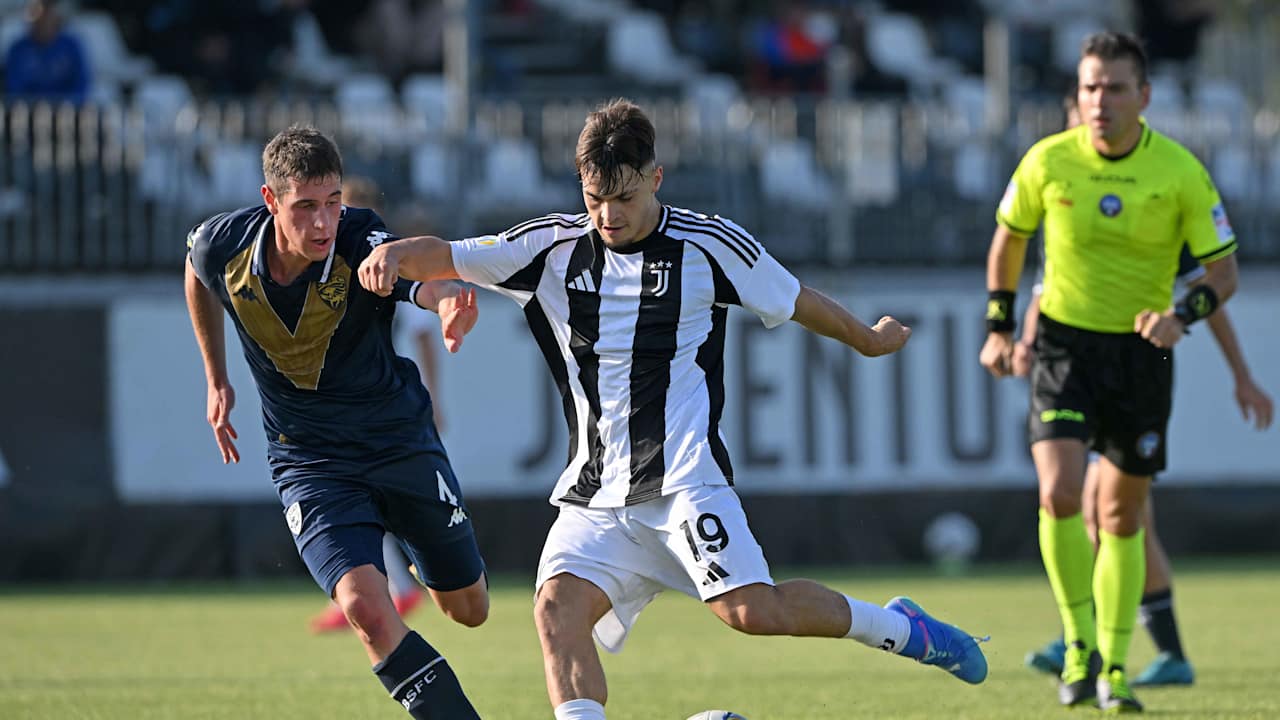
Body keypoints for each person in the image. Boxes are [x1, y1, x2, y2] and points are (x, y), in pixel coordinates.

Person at [357, 98, 989, 720]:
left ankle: (901, 629)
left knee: (753, 612)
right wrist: (390, 253)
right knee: (555, 610)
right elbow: (449, 254)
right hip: (595, 494)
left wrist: (868, 339)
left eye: (625, 198)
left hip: (684, 482)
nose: (607, 214)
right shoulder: (548, 249)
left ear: (656, 179)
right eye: (594, 197)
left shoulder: (709, 245)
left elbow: (797, 300)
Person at [185, 125, 488, 719]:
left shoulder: (358, 238)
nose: (323, 223)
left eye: (331, 203)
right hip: (310, 459)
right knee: (366, 609)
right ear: (270, 201)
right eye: (305, 207)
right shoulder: (224, 244)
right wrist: (215, 377)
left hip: (397, 441)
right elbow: (197, 272)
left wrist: (448, 297)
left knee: (467, 608)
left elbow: (412, 278)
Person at [980, 32, 1240, 712]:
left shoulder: (1180, 170)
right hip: (1065, 350)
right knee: (1061, 493)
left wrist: (1184, 315)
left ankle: (1117, 669)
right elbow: (1009, 239)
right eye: (1091, 87)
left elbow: (1223, 271)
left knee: (1122, 518)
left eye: (1115, 88)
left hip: (1140, 357)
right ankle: (1077, 643)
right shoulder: (1047, 160)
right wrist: (1001, 326)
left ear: (1144, 97)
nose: (1100, 101)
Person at [1017, 95, 1275, 688]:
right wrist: (1025, 340)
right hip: (1077, 365)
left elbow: (1209, 294)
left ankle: (1140, 646)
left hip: (1134, 370)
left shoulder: (1156, 197)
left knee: (1120, 516)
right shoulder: (1062, 198)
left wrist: (1240, 374)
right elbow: (1041, 290)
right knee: (1098, 511)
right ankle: (1095, 638)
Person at [305, 175, 427, 634]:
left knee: (374, 497)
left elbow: (421, 333)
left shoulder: (385, 265)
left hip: (385, 407)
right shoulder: (322, 270)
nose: (329, 222)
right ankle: (373, 585)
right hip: (349, 410)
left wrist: (432, 397)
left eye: (340, 208)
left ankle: (393, 583)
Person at [4, 0, 90, 106]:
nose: (43, 23)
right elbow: (13, 88)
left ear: (57, 21)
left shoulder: (72, 46)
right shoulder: (18, 49)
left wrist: (67, 105)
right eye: (39, 20)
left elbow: (81, 85)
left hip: (67, 110)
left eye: (47, 18)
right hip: (27, 111)